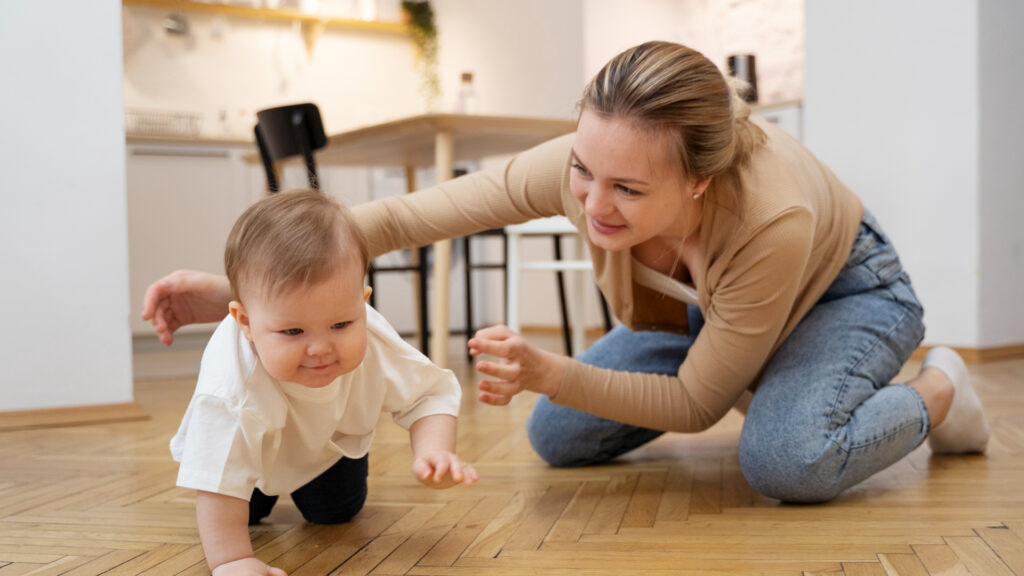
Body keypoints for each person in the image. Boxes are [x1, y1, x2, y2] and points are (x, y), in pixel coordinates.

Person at [145, 41, 989, 506]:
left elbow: (696, 406)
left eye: (627, 188)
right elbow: (401, 219)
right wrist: (241, 292)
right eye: (583, 170)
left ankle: (940, 392)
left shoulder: (771, 218)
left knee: (786, 461)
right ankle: (777, 386)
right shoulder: (587, 165)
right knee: (558, 435)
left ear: (697, 180)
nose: (591, 203)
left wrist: (551, 367)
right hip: (711, 321)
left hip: (846, 294)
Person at [168, 189, 477, 576]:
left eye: (341, 324)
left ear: (362, 302)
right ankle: (256, 500)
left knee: (337, 513)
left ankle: (311, 486)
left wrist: (434, 451)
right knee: (240, 509)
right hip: (253, 454)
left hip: (329, 446)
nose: (319, 348)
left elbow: (428, 395)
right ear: (245, 322)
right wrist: (232, 561)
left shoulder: (375, 340)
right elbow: (216, 479)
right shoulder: (231, 387)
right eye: (293, 330)